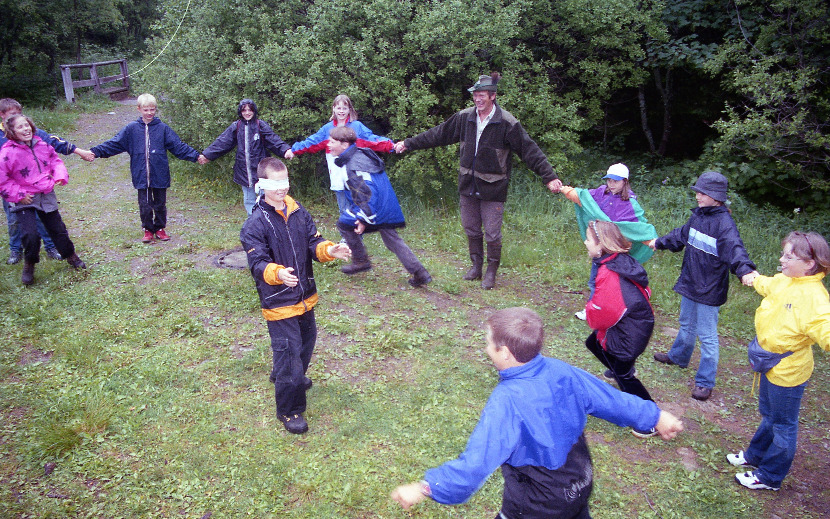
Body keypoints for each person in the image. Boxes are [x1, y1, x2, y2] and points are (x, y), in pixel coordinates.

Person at [391, 307, 684, 518]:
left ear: (504, 352)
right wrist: (655, 416)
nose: (485, 348)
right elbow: (610, 399)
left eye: (488, 343)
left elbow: (478, 462)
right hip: (579, 480)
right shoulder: (560, 370)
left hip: (538, 499)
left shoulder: (507, 401)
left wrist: (427, 488)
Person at [394, 72, 563, 289]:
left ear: (492, 96)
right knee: (471, 228)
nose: (477, 99)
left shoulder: (507, 122)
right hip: (467, 183)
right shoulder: (465, 117)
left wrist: (549, 177)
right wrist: (409, 143)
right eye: (475, 95)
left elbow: (529, 150)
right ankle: (476, 267)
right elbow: (438, 134)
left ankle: (491, 272)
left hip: (494, 187)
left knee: (492, 233)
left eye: (482, 95)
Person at [240, 157, 351, 434]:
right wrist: (277, 274)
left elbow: (313, 241)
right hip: (278, 301)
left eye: (284, 181)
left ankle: (287, 374)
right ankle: (290, 410)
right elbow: (257, 263)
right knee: (288, 350)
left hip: (305, 296)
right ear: (261, 185)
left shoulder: (299, 211)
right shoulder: (255, 224)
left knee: (305, 340)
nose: (281, 188)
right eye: (274, 183)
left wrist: (329, 250)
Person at [727, 231, 830, 491]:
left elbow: (825, 329)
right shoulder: (786, 280)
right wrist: (752, 278)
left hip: (788, 372)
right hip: (768, 364)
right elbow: (768, 284)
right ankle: (755, 455)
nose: (781, 260)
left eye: (788, 256)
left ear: (809, 263)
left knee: (783, 425)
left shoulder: (816, 299)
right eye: (783, 254)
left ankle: (771, 476)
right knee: (770, 416)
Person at [648, 171, 757, 401]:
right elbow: (681, 235)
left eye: (702, 192)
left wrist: (745, 270)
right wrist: (659, 243)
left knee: (707, 336)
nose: (697, 195)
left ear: (716, 197)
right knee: (686, 323)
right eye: (697, 191)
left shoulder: (724, 224)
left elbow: (735, 248)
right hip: (690, 281)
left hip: (710, 289)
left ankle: (705, 382)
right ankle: (678, 357)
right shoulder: (698, 216)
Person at [90, 93, 202, 243]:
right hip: (141, 174)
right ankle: (148, 229)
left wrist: (196, 156)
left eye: (152, 110)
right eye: (146, 110)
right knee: (145, 204)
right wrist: (95, 152)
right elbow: (114, 144)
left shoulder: (162, 128)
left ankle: (160, 228)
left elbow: (178, 146)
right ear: (139, 109)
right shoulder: (131, 129)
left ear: (155, 109)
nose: (149, 113)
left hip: (160, 173)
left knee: (160, 203)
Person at [327, 126, 431, 287]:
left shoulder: (354, 164)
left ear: (345, 145)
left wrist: (363, 218)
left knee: (344, 223)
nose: (329, 145)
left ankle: (361, 261)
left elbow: (368, 193)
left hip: (376, 207)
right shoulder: (357, 155)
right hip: (384, 206)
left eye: (332, 142)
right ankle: (420, 273)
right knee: (392, 240)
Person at [582, 220, 657, 437]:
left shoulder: (610, 273)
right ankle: (620, 370)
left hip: (631, 333)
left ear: (601, 245)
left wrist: (590, 309)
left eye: (588, 239)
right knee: (593, 343)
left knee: (624, 376)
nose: (585, 242)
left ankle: (650, 419)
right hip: (633, 324)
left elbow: (602, 314)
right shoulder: (614, 260)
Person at [0, 98, 94, 264]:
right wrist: (17, 193)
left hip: (41, 190)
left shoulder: (35, 135)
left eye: (20, 114)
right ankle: (16, 251)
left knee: (48, 222)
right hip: (14, 191)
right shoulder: (5, 143)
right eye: (13, 115)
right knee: (16, 222)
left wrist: (79, 152)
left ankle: (51, 248)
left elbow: (53, 145)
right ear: (2, 116)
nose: (19, 119)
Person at [559, 163, 657, 320]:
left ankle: (618, 310)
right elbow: (583, 197)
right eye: (609, 180)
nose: (611, 184)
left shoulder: (631, 204)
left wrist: (651, 241)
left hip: (617, 253)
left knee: (617, 284)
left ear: (625, 181)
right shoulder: (600, 194)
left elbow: (638, 228)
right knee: (594, 280)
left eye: (615, 181)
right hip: (600, 249)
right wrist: (565, 189)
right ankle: (592, 309)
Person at [289, 94, 393, 211]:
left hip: (356, 172)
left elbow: (372, 140)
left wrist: (391, 145)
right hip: (337, 173)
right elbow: (312, 142)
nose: (341, 111)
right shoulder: (327, 129)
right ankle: (346, 228)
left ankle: (359, 227)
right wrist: (294, 150)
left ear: (350, 109)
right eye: (339, 108)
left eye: (344, 108)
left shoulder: (357, 126)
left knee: (360, 208)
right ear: (333, 108)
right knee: (344, 209)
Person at [199, 99, 294, 215]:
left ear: (254, 111)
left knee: (267, 199)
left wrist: (286, 150)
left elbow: (273, 140)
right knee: (249, 201)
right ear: (240, 112)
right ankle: (253, 224)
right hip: (244, 172)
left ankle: (269, 223)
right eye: (244, 110)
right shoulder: (236, 126)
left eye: (250, 110)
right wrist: (207, 155)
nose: (247, 113)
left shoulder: (260, 125)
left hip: (262, 171)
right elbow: (222, 142)